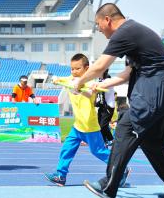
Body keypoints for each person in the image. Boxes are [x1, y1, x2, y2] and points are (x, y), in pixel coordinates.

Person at [75, 3, 164, 198]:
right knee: (152, 143)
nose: (99, 29)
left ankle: (108, 186)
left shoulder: (125, 31)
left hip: (153, 92)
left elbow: (100, 65)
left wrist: (80, 81)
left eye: (98, 24)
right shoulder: (135, 34)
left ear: (108, 20)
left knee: (125, 127)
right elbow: (127, 74)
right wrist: (99, 85)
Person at [44, 54, 130, 187]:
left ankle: (121, 168)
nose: (74, 71)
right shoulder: (72, 79)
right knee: (67, 149)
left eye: (77, 69)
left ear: (86, 69)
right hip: (77, 126)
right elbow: (64, 79)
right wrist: (56, 79)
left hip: (90, 127)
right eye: (72, 69)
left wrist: (78, 88)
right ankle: (61, 175)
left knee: (99, 152)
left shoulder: (90, 83)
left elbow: (89, 93)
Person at [96, 69, 115, 146]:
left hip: (108, 107)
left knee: (102, 126)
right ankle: (107, 141)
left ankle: (108, 141)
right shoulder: (100, 80)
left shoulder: (108, 80)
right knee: (100, 126)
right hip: (102, 106)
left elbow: (100, 85)